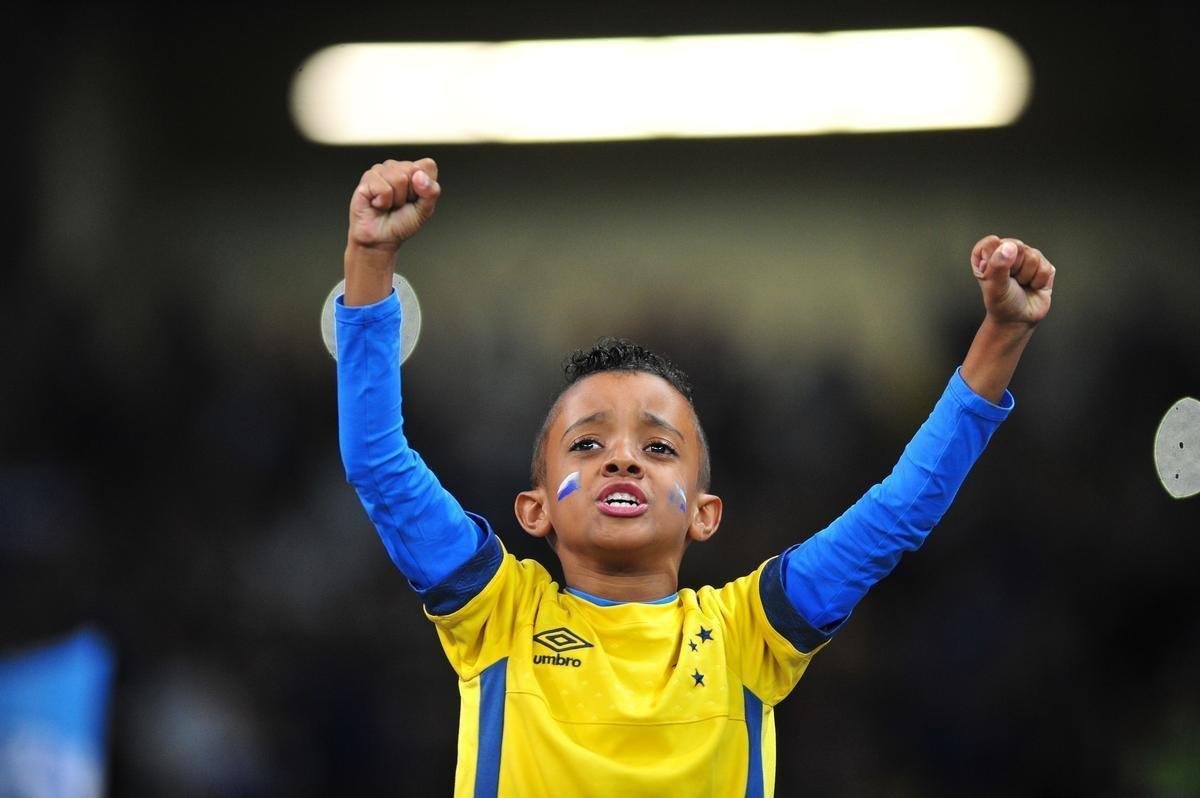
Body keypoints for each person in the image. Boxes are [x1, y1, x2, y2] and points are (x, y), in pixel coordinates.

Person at [335, 158, 1055, 797]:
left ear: (705, 514)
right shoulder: (500, 616)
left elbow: (899, 510)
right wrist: (371, 260)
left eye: (658, 448)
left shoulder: (747, 631)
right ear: (532, 511)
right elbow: (379, 462)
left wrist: (1001, 337)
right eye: (587, 444)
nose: (621, 459)